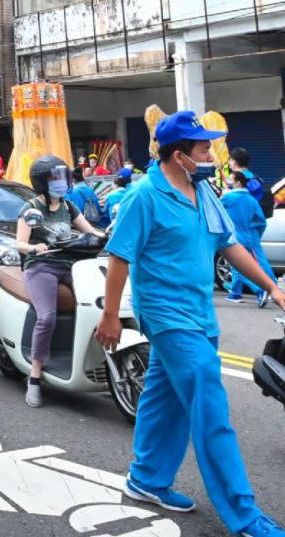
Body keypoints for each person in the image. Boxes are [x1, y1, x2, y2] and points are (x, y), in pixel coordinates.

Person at [96, 110, 285, 537]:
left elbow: (231, 247)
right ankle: (244, 512)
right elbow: (119, 257)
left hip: (200, 312)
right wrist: (110, 315)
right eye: (203, 148)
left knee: (164, 398)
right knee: (209, 401)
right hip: (165, 314)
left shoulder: (205, 193)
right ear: (180, 155)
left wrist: (272, 288)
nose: (211, 155)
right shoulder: (145, 196)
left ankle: (146, 478)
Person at [15, 154, 99, 408]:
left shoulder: (67, 206)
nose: (61, 182)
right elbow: (19, 242)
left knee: (98, 303)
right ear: (42, 181)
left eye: (62, 177)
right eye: (55, 178)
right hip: (41, 267)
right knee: (47, 317)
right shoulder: (31, 209)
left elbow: (90, 230)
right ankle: (36, 376)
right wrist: (33, 248)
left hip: (70, 265)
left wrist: (108, 235)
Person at [222, 172, 277, 308]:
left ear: (238, 183)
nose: (228, 181)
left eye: (231, 179)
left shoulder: (228, 198)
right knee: (242, 266)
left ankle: (261, 289)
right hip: (247, 237)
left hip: (233, 237)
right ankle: (235, 293)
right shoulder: (252, 200)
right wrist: (256, 234)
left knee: (239, 269)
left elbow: (213, 209)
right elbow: (261, 221)